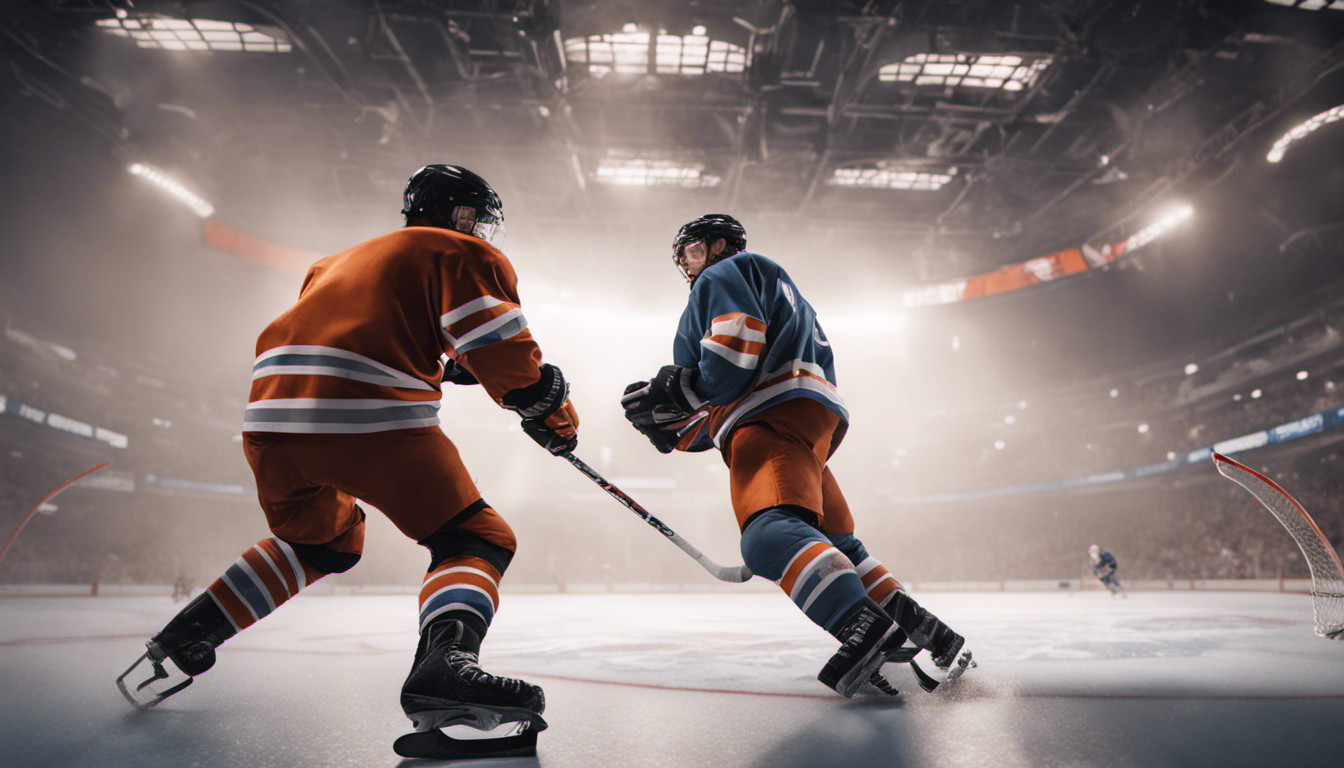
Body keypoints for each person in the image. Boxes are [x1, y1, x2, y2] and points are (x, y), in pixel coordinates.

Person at [117, 165, 577, 757]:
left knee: (323, 541)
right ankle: (444, 668)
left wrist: (446, 365)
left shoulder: (331, 263)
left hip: (271, 419)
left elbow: (367, 332)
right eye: (476, 219)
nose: (480, 230)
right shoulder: (458, 251)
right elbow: (502, 353)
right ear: (459, 215)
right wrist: (551, 408)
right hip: (366, 414)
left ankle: (184, 639)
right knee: (479, 538)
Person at [620, 214, 971, 698]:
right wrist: (674, 429)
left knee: (767, 536)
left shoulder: (723, 274)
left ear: (719, 245)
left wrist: (680, 394)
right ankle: (931, 634)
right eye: (682, 256)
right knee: (839, 546)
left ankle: (866, 628)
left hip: (769, 419)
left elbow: (732, 353)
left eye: (694, 251)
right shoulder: (780, 288)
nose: (686, 262)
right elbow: (719, 403)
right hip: (807, 424)